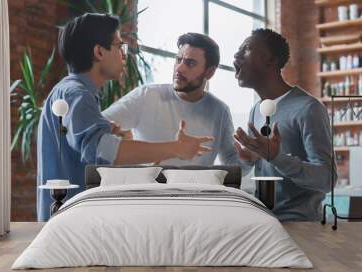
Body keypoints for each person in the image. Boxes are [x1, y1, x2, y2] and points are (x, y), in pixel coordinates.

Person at [37, 13, 213, 221]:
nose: (124, 54)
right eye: (119, 46)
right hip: (71, 221)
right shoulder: (77, 94)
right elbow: (104, 151)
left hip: (73, 216)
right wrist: (177, 148)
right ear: (99, 51)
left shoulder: (74, 93)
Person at [103, 33, 250, 172]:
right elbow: (93, 130)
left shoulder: (220, 111)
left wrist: (248, 159)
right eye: (178, 60)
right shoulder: (146, 95)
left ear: (209, 72)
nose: (179, 68)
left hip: (195, 195)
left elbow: (231, 162)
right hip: (149, 193)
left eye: (190, 63)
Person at [232, 28, 337, 221]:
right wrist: (249, 159)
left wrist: (277, 157)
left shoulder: (308, 109)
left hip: (300, 227)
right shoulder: (255, 110)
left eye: (245, 49)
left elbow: (327, 179)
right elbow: (261, 165)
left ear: (271, 60)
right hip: (265, 222)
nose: (236, 55)